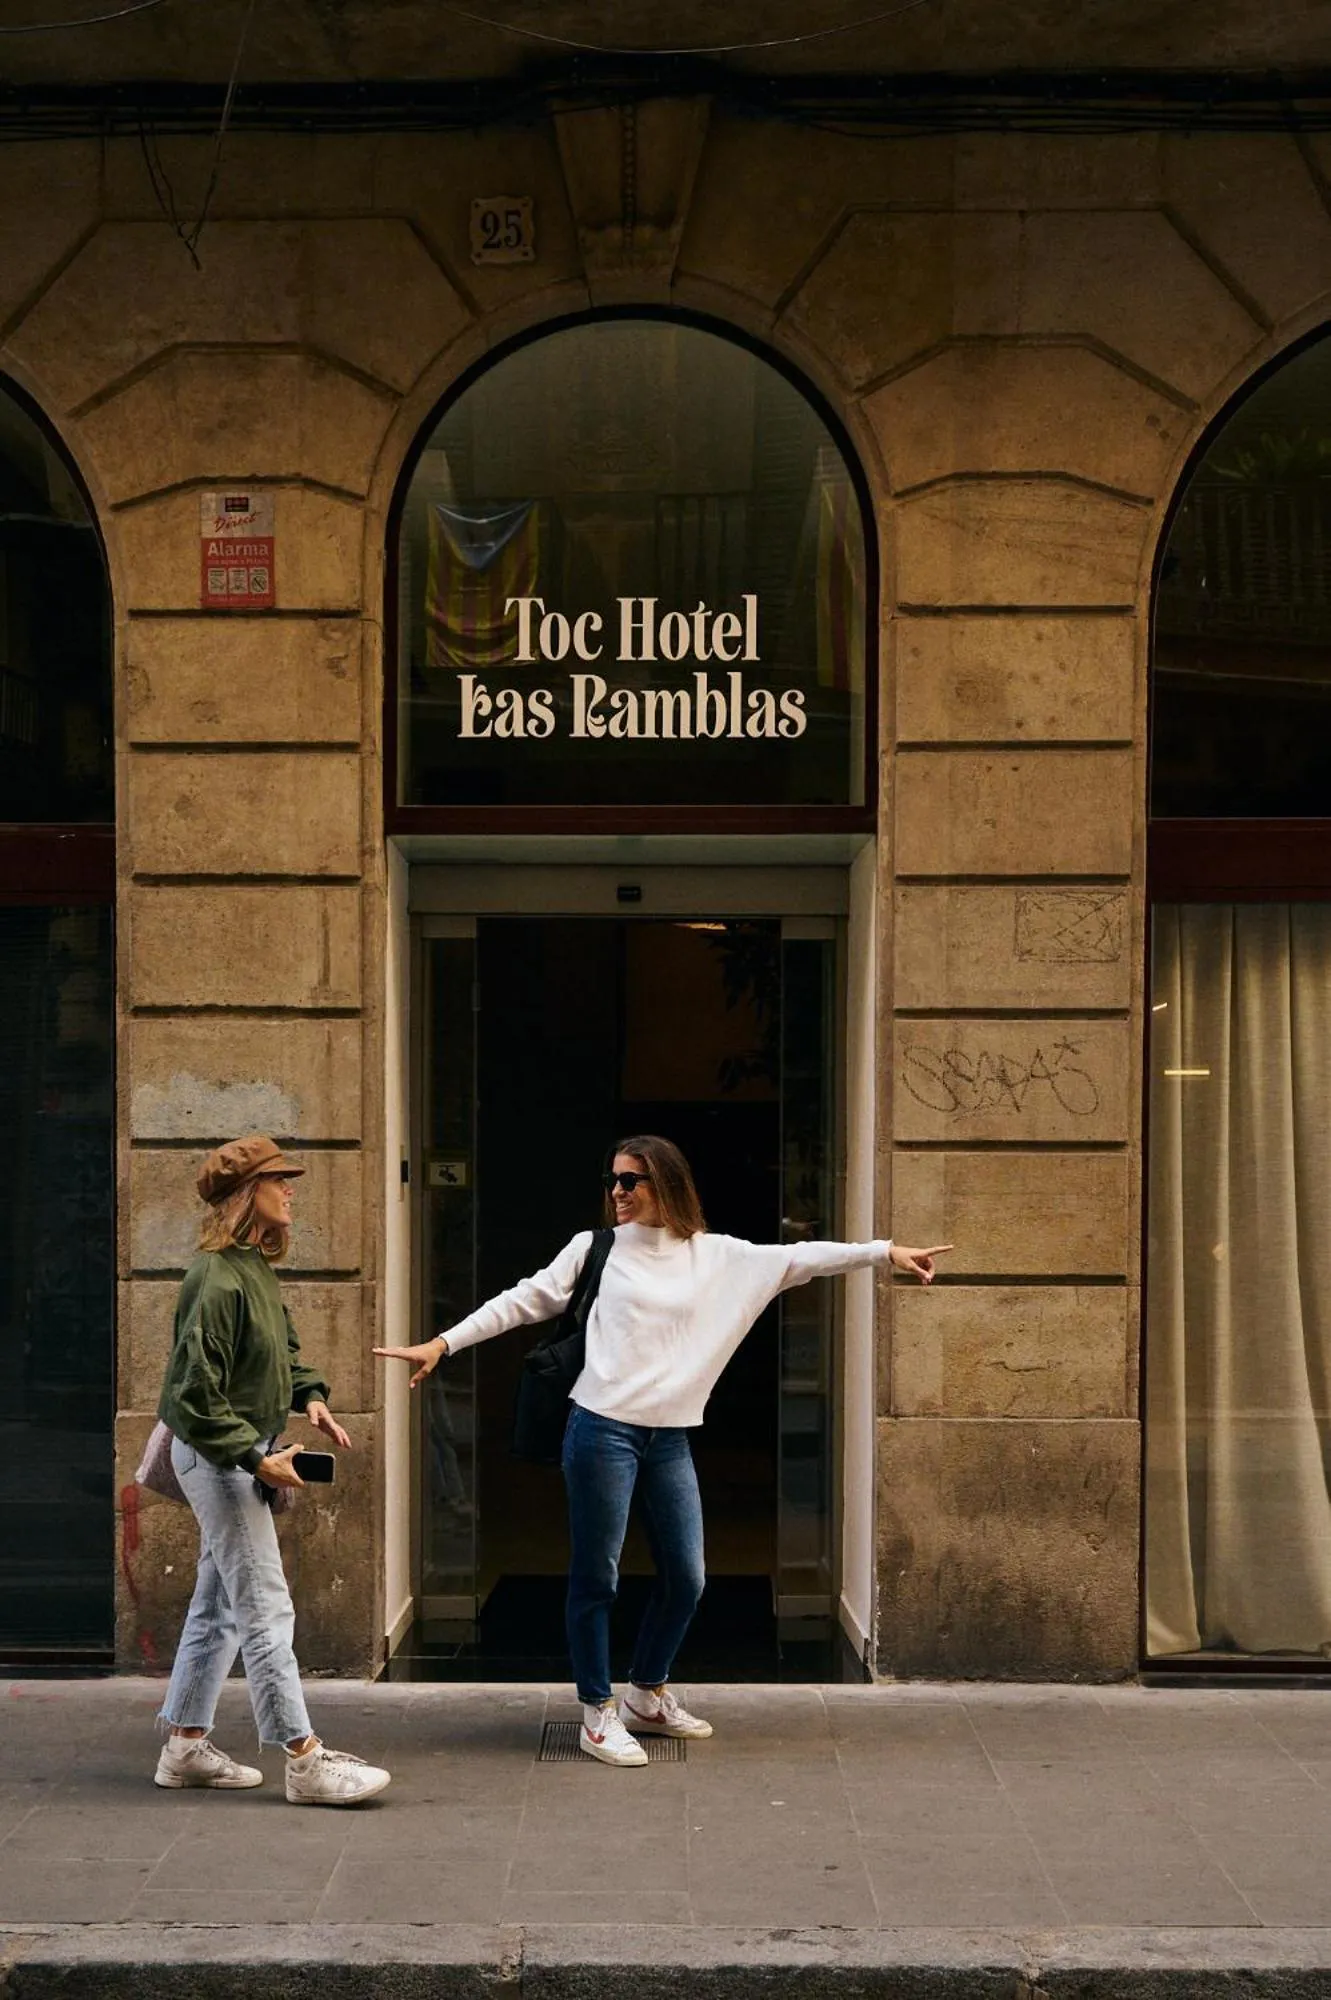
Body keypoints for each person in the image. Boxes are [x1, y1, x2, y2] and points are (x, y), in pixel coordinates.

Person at [375, 1133, 949, 1769]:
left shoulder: (718, 1257)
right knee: (598, 1576)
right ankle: (597, 1712)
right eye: (613, 1180)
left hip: (669, 1436)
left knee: (688, 1576)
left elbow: (803, 1257)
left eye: (632, 1181)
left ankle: (645, 1693)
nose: (618, 1192)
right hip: (600, 1430)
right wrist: (444, 1344)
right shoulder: (594, 1249)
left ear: (667, 1186)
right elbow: (523, 1300)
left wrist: (885, 1251)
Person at [154, 1134, 391, 1806]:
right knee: (264, 1606)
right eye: (278, 1179)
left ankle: (184, 1747)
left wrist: (309, 1397)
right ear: (243, 1195)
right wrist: (257, 1456)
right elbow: (192, 1393)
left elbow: (282, 1350)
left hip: (242, 1453)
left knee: (220, 1607)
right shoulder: (213, 1276)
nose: (291, 1189)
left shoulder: (252, 1267)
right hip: (221, 1456)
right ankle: (305, 1759)